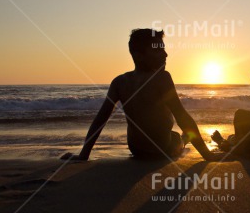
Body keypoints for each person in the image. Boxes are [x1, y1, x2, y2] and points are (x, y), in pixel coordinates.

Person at [61, 29, 221, 161]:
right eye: (158, 50)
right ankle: (185, 140)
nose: (165, 54)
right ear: (139, 55)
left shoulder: (119, 81)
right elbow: (181, 116)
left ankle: (184, 138)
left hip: (136, 149)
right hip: (164, 148)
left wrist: (84, 154)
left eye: (164, 49)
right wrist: (207, 155)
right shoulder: (162, 78)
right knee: (178, 140)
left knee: (172, 133)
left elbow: (100, 120)